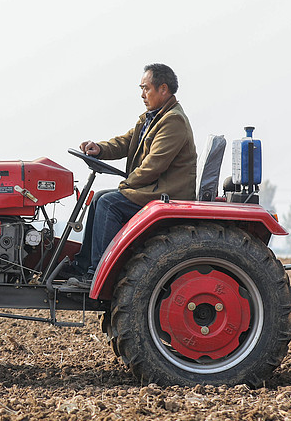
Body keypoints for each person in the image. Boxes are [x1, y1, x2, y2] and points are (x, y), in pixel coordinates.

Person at [66, 63, 197, 289]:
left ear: (163, 89)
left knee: (109, 203)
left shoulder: (173, 121)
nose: (142, 94)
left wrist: (126, 185)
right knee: (99, 199)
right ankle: (83, 265)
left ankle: (96, 275)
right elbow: (126, 142)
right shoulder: (152, 117)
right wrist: (99, 148)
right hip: (151, 188)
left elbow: (153, 166)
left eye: (146, 88)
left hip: (165, 192)